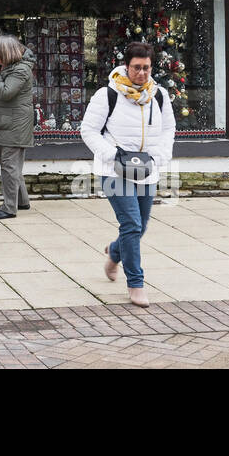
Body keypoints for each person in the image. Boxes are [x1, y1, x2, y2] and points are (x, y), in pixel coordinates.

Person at [79, 41, 176, 306]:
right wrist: (112, 154)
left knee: (140, 227)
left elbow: (169, 128)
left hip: (146, 169)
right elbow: (88, 130)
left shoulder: (159, 95)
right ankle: (136, 284)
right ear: (126, 66)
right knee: (131, 224)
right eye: (136, 68)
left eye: (146, 68)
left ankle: (114, 251)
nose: (141, 73)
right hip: (114, 171)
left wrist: (159, 156)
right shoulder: (107, 94)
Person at [0, 34, 36, 220]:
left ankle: (8, 208)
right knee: (12, 166)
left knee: (9, 166)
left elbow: (6, 93)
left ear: (6, 52)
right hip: (7, 123)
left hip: (14, 125)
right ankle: (22, 201)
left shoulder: (21, 70)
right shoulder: (11, 66)